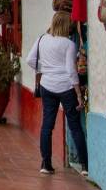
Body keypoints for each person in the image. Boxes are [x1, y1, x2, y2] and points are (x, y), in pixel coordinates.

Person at [29, 12, 88, 176]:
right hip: (66, 87)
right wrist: (78, 93)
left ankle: (46, 164)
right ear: (67, 25)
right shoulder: (69, 44)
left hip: (47, 86)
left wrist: (46, 69)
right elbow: (71, 70)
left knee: (47, 125)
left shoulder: (42, 39)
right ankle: (84, 166)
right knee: (75, 126)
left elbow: (30, 60)